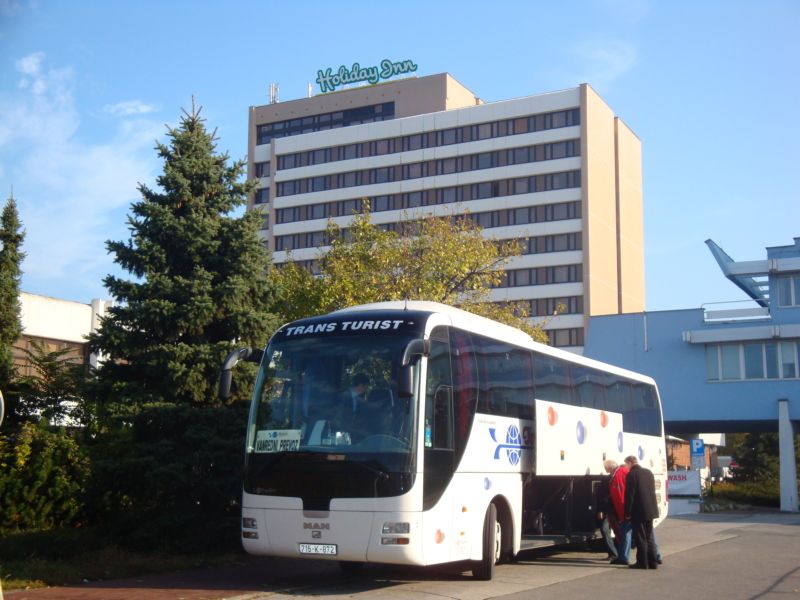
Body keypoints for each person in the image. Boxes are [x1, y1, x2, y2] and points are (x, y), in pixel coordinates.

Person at [624, 455, 660, 569]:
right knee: (649, 537)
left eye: (626, 464)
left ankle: (642, 562)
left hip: (638, 510)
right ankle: (653, 562)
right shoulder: (648, 472)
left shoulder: (631, 475)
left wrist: (627, 512)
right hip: (651, 509)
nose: (626, 467)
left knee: (640, 537)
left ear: (630, 463)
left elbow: (630, 495)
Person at [605, 459, 631, 565]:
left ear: (611, 468)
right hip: (624, 511)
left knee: (625, 534)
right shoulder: (619, 474)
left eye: (607, 469)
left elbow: (621, 495)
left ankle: (623, 557)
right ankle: (655, 556)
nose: (606, 472)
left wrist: (624, 514)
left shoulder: (620, 474)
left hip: (624, 511)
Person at [595, 462, 618, 561]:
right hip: (614, 509)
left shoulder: (607, 479)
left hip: (608, 510)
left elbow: (601, 496)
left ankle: (614, 553)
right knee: (612, 531)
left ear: (609, 468)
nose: (605, 470)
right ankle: (615, 553)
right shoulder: (613, 478)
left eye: (606, 468)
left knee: (605, 530)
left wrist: (600, 510)